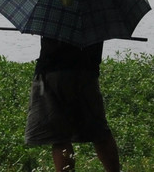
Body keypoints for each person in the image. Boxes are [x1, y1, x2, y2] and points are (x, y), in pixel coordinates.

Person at [25, 37, 120, 172]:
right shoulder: (95, 15)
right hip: (87, 72)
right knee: (100, 132)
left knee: (59, 136)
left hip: (53, 70)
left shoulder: (52, 15)